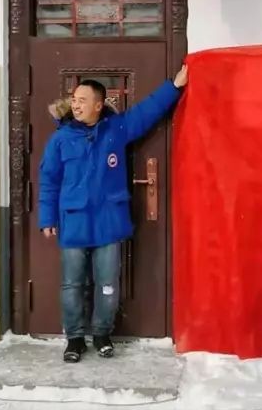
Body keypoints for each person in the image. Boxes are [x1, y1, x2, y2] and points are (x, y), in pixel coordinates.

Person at [39, 67, 188, 363]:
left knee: (108, 282)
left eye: (83, 99)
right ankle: (75, 338)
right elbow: (48, 180)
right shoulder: (61, 139)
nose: (77, 104)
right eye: (74, 99)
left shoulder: (116, 130)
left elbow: (148, 111)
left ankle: (102, 333)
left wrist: (175, 85)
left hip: (108, 221)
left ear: (99, 104)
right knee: (72, 285)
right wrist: (47, 219)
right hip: (74, 222)